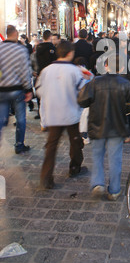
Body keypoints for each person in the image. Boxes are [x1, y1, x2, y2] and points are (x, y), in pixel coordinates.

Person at [77, 54, 130, 200]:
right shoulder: (127, 84)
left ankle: (98, 183)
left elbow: (82, 101)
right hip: (117, 128)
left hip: (97, 125)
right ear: (122, 68)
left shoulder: (95, 82)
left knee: (97, 156)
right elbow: (129, 110)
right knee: (115, 159)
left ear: (106, 66)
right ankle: (114, 190)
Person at [37, 41, 88, 189]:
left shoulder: (46, 70)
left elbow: (39, 91)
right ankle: (74, 168)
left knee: (51, 147)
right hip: (71, 113)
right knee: (76, 142)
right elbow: (82, 91)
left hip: (53, 114)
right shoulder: (74, 71)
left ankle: (46, 179)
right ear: (70, 53)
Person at [0, 25, 33, 154]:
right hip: (17, 90)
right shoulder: (21, 50)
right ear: (16, 34)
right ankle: (19, 144)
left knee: (1, 120)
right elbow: (25, 71)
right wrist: (28, 89)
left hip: (2, 89)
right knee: (20, 119)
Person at [35, 30, 57, 121]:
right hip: (51, 74)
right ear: (50, 37)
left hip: (40, 73)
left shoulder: (38, 48)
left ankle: (41, 114)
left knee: (42, 96)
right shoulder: (52, 47)